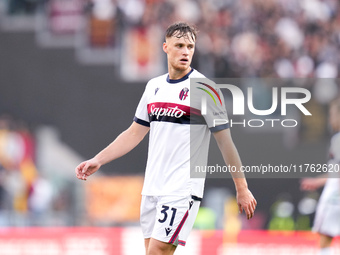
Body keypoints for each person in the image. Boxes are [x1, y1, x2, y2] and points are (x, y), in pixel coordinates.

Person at [75, 22, 257, 255]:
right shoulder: (154, 87)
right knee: (152, 250)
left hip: (182, 188)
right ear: (165, 47)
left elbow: (225, 142)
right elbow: (134, 132)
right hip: (152, 187)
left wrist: (242, 188)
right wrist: (99, 159)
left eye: (190, 46)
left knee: (158, 252)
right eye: (179, 45)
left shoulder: (205, 89)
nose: (185, 52)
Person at [300, 98, 340, 255]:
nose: (330, 119)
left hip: (335, 196)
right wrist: (318, 181)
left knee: (325, 237)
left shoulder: (337, 140)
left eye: (332, 114)